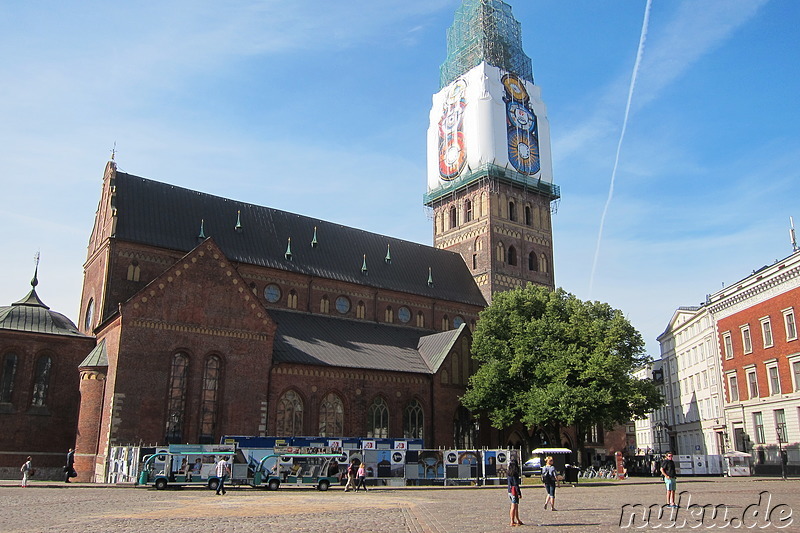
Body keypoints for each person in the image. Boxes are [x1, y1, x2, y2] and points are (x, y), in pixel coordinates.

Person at [507, 459, 524, 526]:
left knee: (516, 506)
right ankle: (512, 521)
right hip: (514, 491)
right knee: (513, 506)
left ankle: (518, 519)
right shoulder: (515, 474)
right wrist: (519, 493)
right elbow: (516, 484)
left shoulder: (508, 473)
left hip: (510, 490)